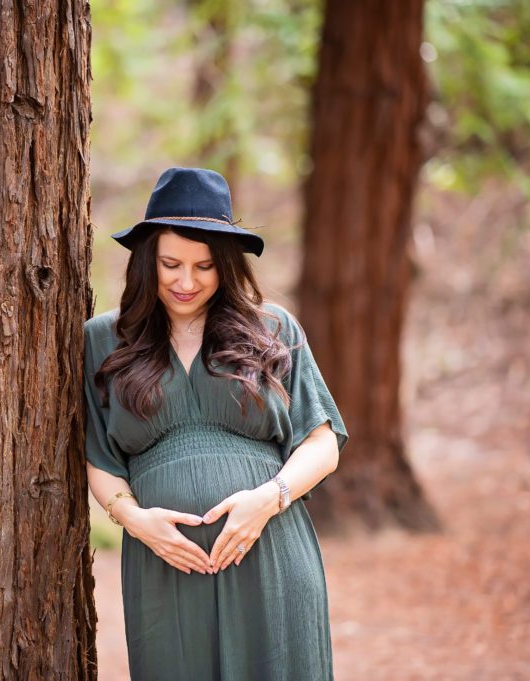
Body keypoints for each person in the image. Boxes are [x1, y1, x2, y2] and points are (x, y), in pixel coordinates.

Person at [83, 167, 349, 680]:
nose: (186, 282)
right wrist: (136, 522)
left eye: (204, 266)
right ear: (146, 261)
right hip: (165, 568)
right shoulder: (102, 340)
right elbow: (99, 456)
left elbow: (322, 441)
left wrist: (267, 499)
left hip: (269, 550)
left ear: (225, 265)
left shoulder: (270, 327)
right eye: (171, 264)